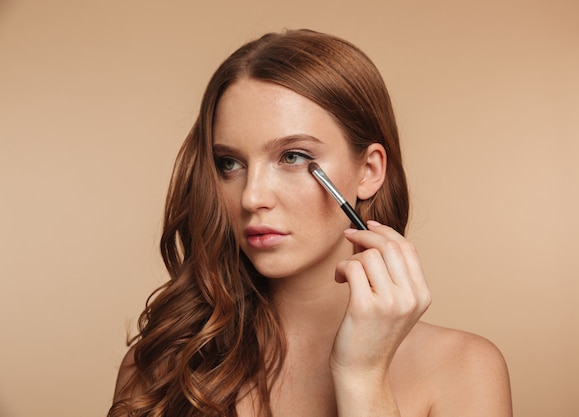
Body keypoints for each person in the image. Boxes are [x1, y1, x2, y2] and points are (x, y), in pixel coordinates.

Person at [109, 29, 512, 417]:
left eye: (293, 157)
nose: (252, 197)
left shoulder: (463, 370)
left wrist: (363, 378)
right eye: (229, 163)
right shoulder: (162, 366)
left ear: (369, 170)